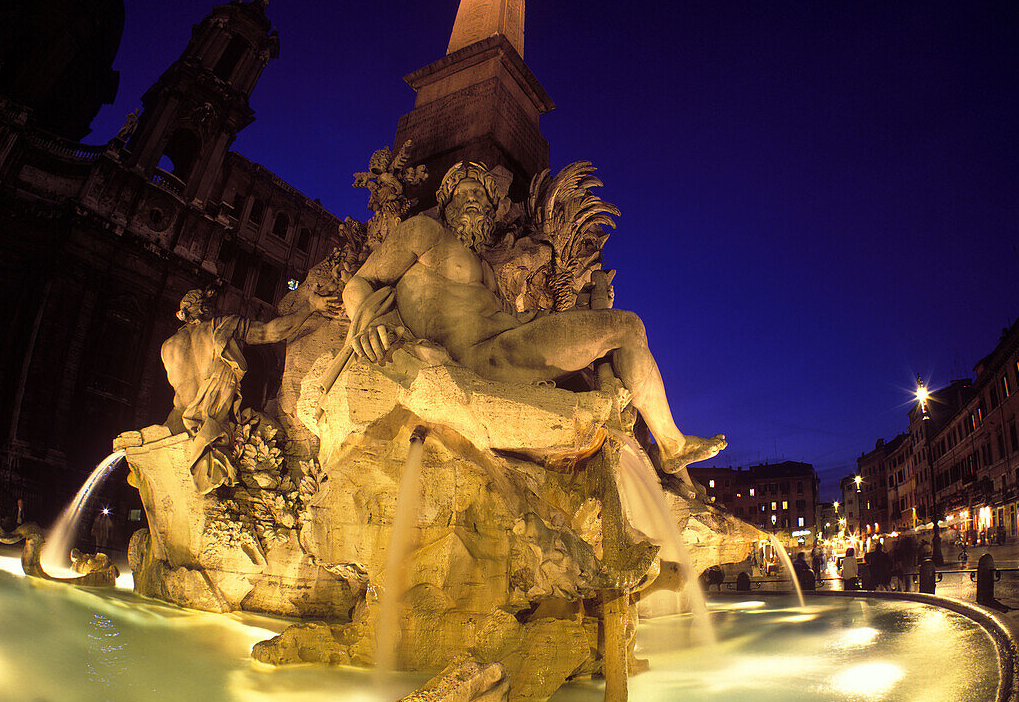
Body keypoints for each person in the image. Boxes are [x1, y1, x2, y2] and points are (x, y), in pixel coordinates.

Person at [327, 161, 727, 475]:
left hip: (511, 341)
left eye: (481, 196)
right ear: (446, 202)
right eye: (464, 193)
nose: (474, 200)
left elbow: (506, 315)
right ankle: (671, 445)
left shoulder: (483, 266)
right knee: (627, 327)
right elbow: (360, 282)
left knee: (625, 329)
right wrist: (368, 323)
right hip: (483, 359)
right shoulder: (422, 233)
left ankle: (663, 446)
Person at [161, 285, 341, 493]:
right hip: (213, 425)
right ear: (205, 309)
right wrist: (311, 306)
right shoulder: (222, 326)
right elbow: (272, 332)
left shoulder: (168, 345)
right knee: (279, 437)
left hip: (177, 422)